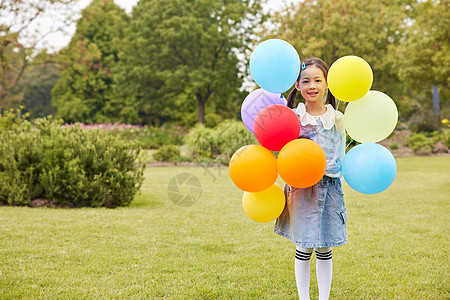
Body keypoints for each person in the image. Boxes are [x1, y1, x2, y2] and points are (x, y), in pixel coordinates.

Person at [273, 57, 347, 300]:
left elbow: (341, 151)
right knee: (303, 247)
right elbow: (284, 151)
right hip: (302, 189)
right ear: (297, 85)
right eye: (306, 81)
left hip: (330, 187)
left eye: (318, 80)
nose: (312, 85)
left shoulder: (337, 119)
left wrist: (337, 176)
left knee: (325, 248)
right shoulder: (293, 117)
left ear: (327, 84)